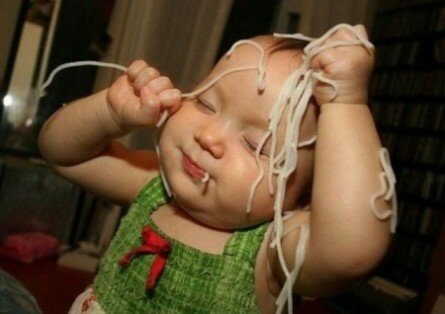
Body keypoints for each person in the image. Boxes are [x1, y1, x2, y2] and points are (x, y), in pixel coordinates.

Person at [38, 24, 395, 313]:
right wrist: (110, 114)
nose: (208, 135)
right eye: (206, 103)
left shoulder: (272, 252)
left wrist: (346, 104)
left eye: (256, 144)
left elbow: (352, 250)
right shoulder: (155, 186)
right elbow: (62, 154)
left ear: (300, 196)